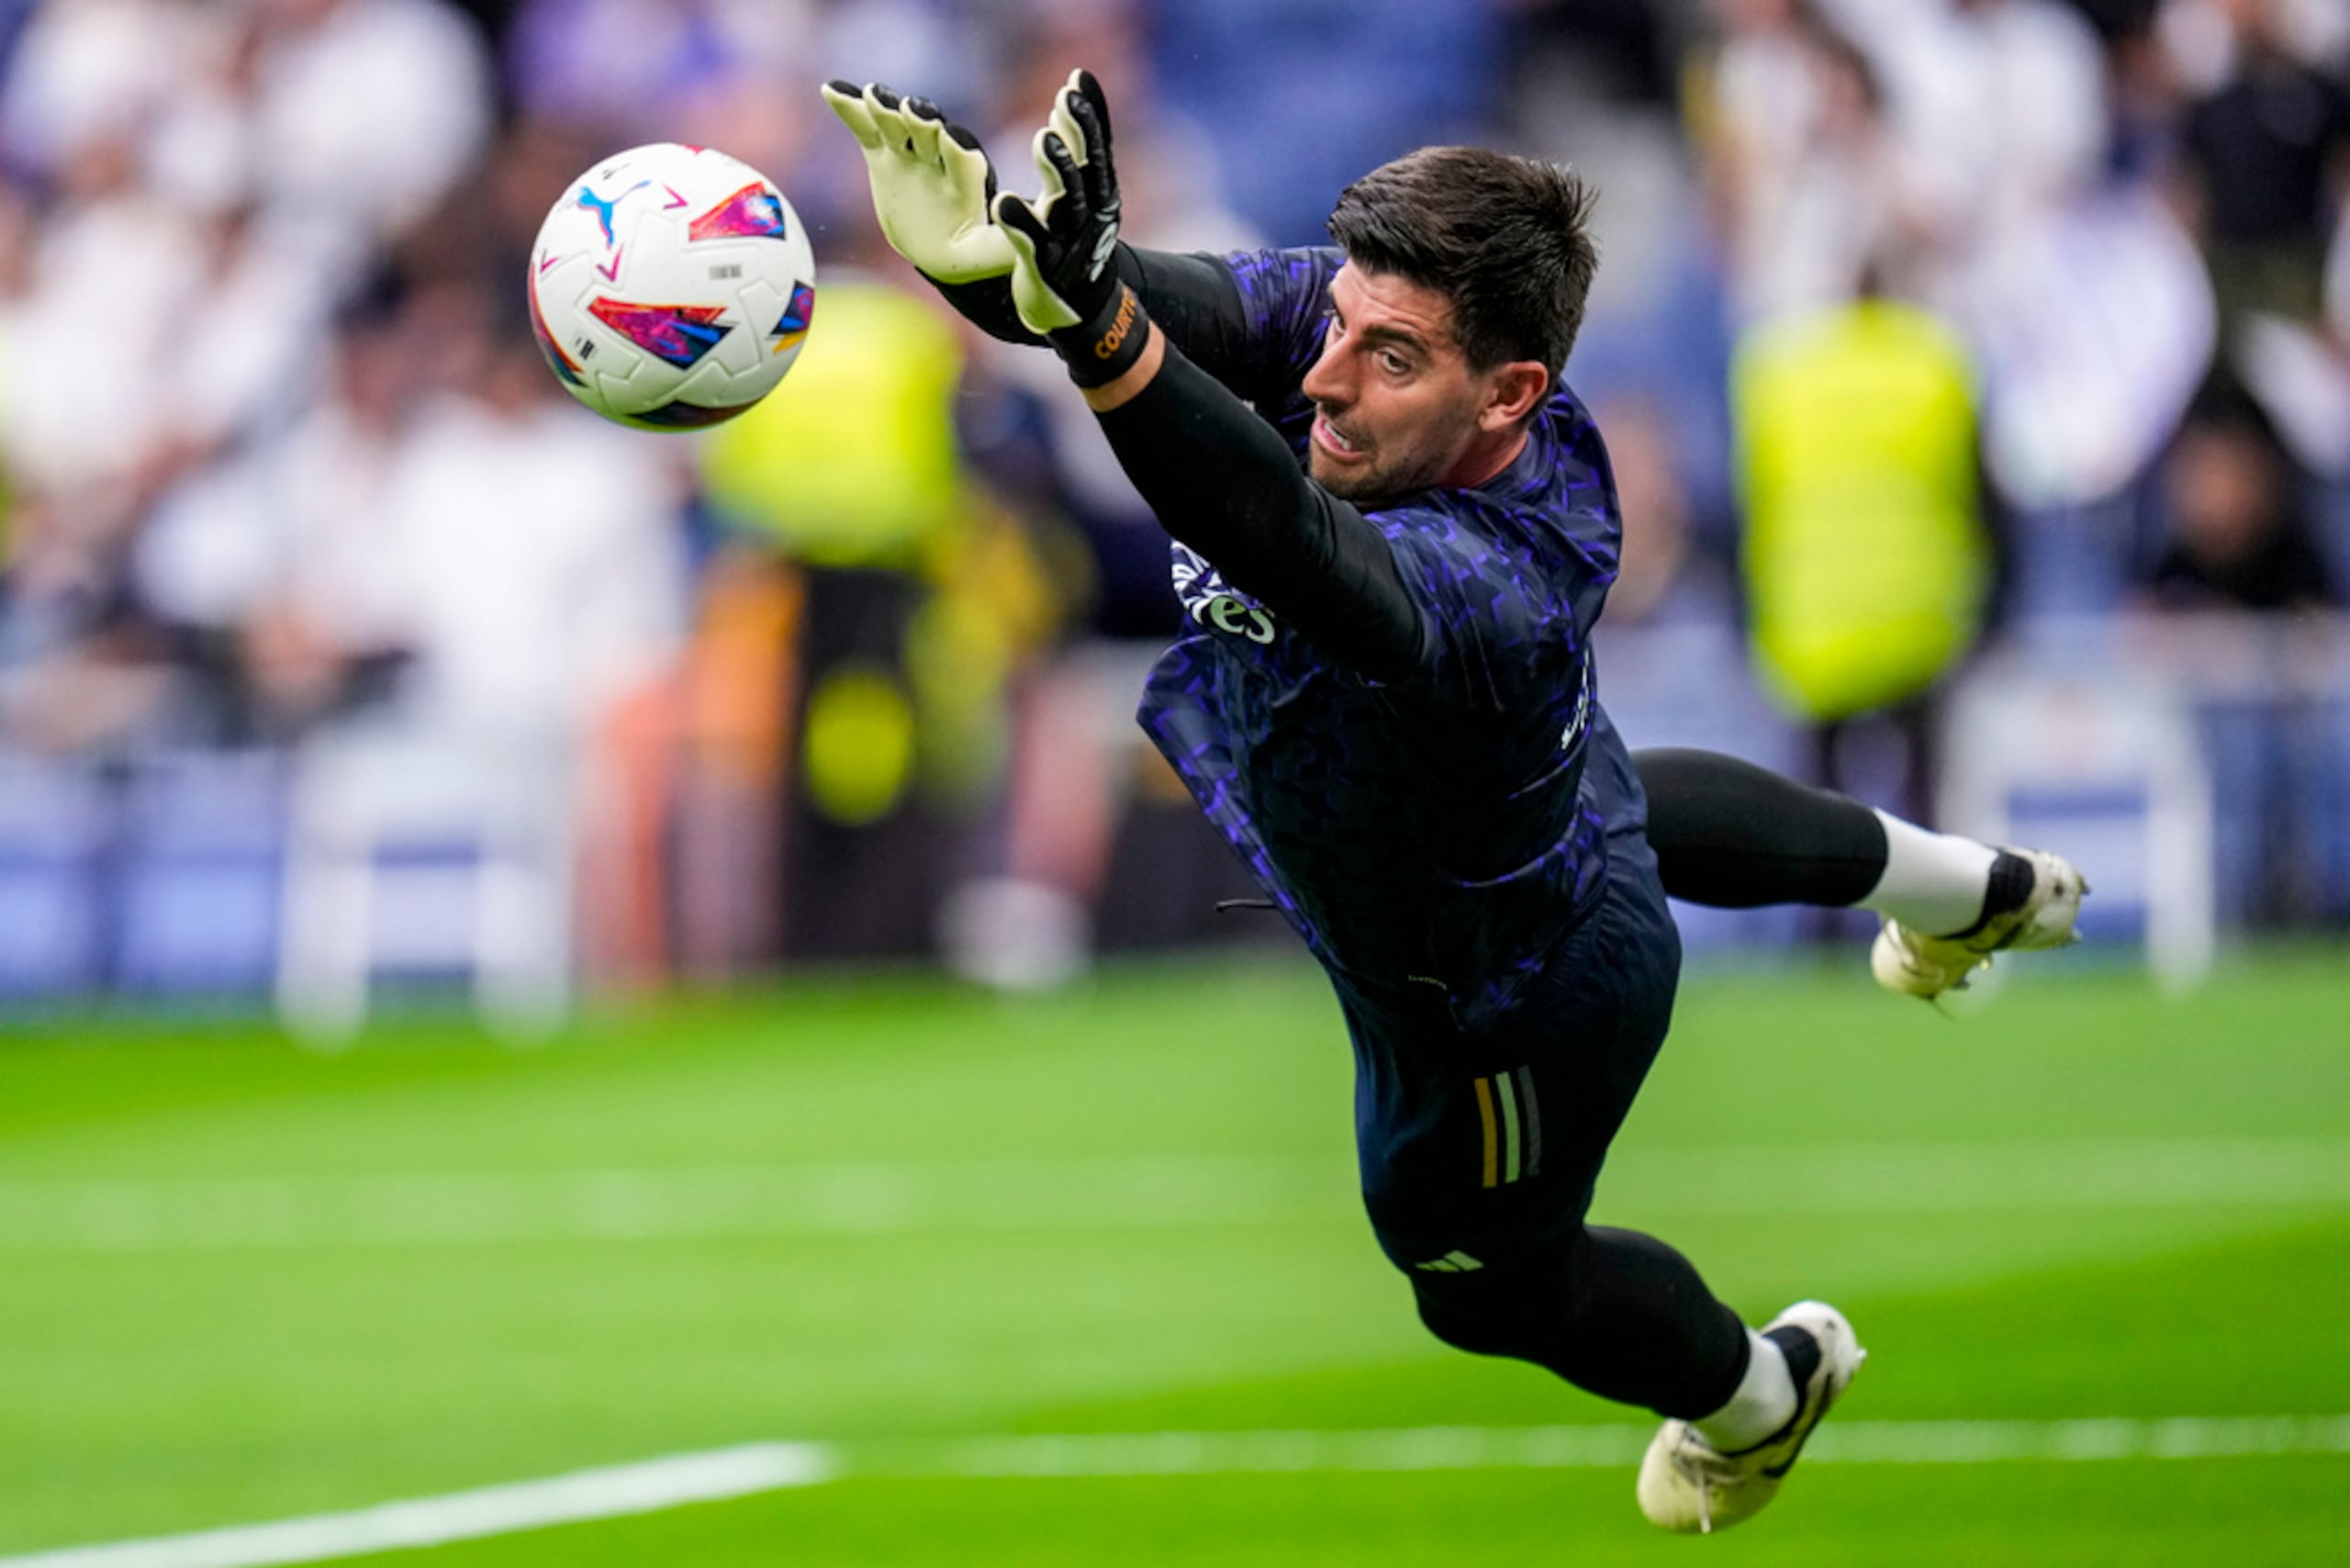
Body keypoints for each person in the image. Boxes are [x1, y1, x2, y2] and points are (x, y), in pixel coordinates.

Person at [823, 72, 2084, 1532]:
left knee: (1481, 1286)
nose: (1328, 375)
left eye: (1390, 359)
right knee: (1623, 791)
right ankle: (1971, 891)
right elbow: (1156, 305)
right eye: (1341, 326)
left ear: (1511, 396)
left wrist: (1092, 328)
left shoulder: (1499, 580)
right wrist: (1013, 267)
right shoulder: (1391, 326)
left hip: (1508, 1002)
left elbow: (1287, 540)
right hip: (1525, 828)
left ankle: (1760, 1389)